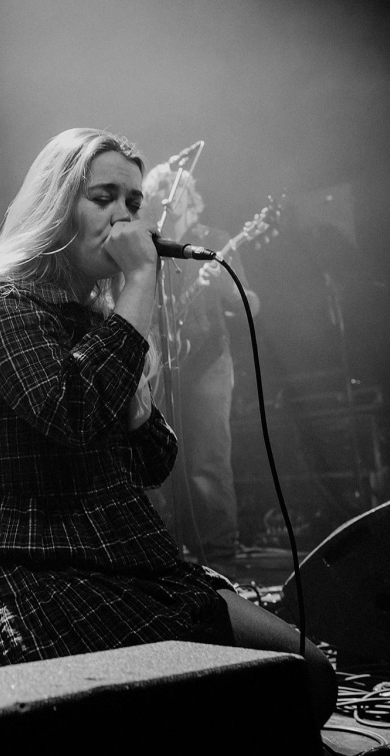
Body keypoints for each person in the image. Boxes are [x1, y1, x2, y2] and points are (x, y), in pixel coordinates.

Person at [0, 127, 334, 726]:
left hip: (126, 558)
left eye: (133, 202)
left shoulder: (99, 320)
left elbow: (155, 461)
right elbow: (73, 416)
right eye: (103, 197)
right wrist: (138, 285)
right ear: (57, 205)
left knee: (308, 678)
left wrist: (137, 411)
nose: (124, 216)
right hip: (28, 567)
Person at [141, 164, 260, 565]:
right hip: (163, 360)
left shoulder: (215, 240)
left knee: (207, 455)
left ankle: (219, 551)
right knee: (159, 454)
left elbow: (251, 303)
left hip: (209, 358)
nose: (168, 199)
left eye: (175, 192)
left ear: (191, 198)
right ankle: (165, 547)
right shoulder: (152, 245)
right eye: (160, 192)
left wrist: (228, 286)